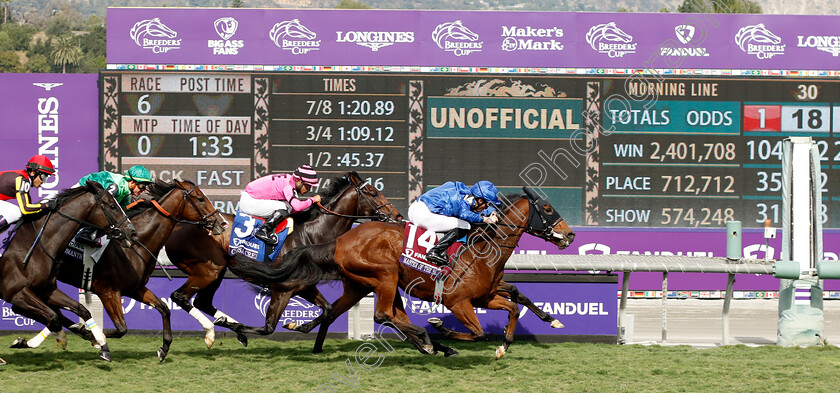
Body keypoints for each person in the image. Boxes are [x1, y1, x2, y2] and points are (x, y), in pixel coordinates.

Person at [407, 180, 500, 270]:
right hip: (422, 215)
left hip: (415, 207)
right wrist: (486, 219)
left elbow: (473, 210)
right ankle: (435, 251)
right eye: (487, 205)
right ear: (480, 200)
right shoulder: (466, 199)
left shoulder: (465, 193)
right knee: (465, 225)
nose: (486, 207)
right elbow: (465, 215)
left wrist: (491, 212)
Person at [239, 164, 322, 246]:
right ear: (299, 181)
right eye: (308, 186)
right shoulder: (288, 186)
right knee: (284, 207)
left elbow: (295, 209)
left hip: (252, 198)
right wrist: (313, 199)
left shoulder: (290, 182)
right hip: (249, 202)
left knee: (288, 207)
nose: (309, 189)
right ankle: (264, 231)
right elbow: (297, 206)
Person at [74, 165, 153, 246]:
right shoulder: (116, 188)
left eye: (145, 187)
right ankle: (83, 233)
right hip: (81, 191)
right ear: (132, 183)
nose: (143, 190)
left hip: (92, 196)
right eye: (141, 186)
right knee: (107, 213)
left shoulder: (125, 192)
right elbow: (101, 207)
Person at [0, 155, 56, 233]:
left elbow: (30, 208)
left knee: (9, 219)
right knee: (15, 212)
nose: (43, 181)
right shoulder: (22, 180)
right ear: (33, 173)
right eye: (43, 177)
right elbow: (25, 209)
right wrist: (46, 205)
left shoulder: (24, 179)